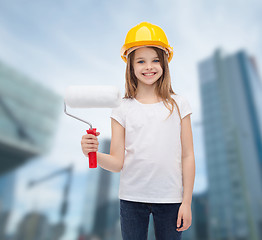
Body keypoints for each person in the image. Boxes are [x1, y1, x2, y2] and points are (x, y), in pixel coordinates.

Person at [81, 22, 195, 240]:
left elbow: (188, 155)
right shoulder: (121, 108)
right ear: (130, 66)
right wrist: (92, 153)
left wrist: (187, 202)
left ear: (164, 63)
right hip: (132, 200)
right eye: (141, 61)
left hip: (171, 199)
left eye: (155, 60)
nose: (149, 67)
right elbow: (116, 162)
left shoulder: (180, 104)